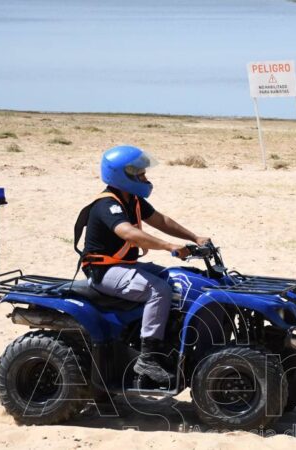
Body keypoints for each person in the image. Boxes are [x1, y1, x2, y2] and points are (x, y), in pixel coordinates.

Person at [79, 145, 210, 383]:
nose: (145, 178)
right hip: (103, 272)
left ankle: (169, 341)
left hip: (123, 267)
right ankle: (148, 358)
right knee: (157, 290)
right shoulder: (108, 205)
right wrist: (170, 246)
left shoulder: (133, 200)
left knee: (176, 278)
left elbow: (162, 220)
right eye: (139, 174)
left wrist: (194, 238)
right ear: (123, 175)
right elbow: (128, 232)